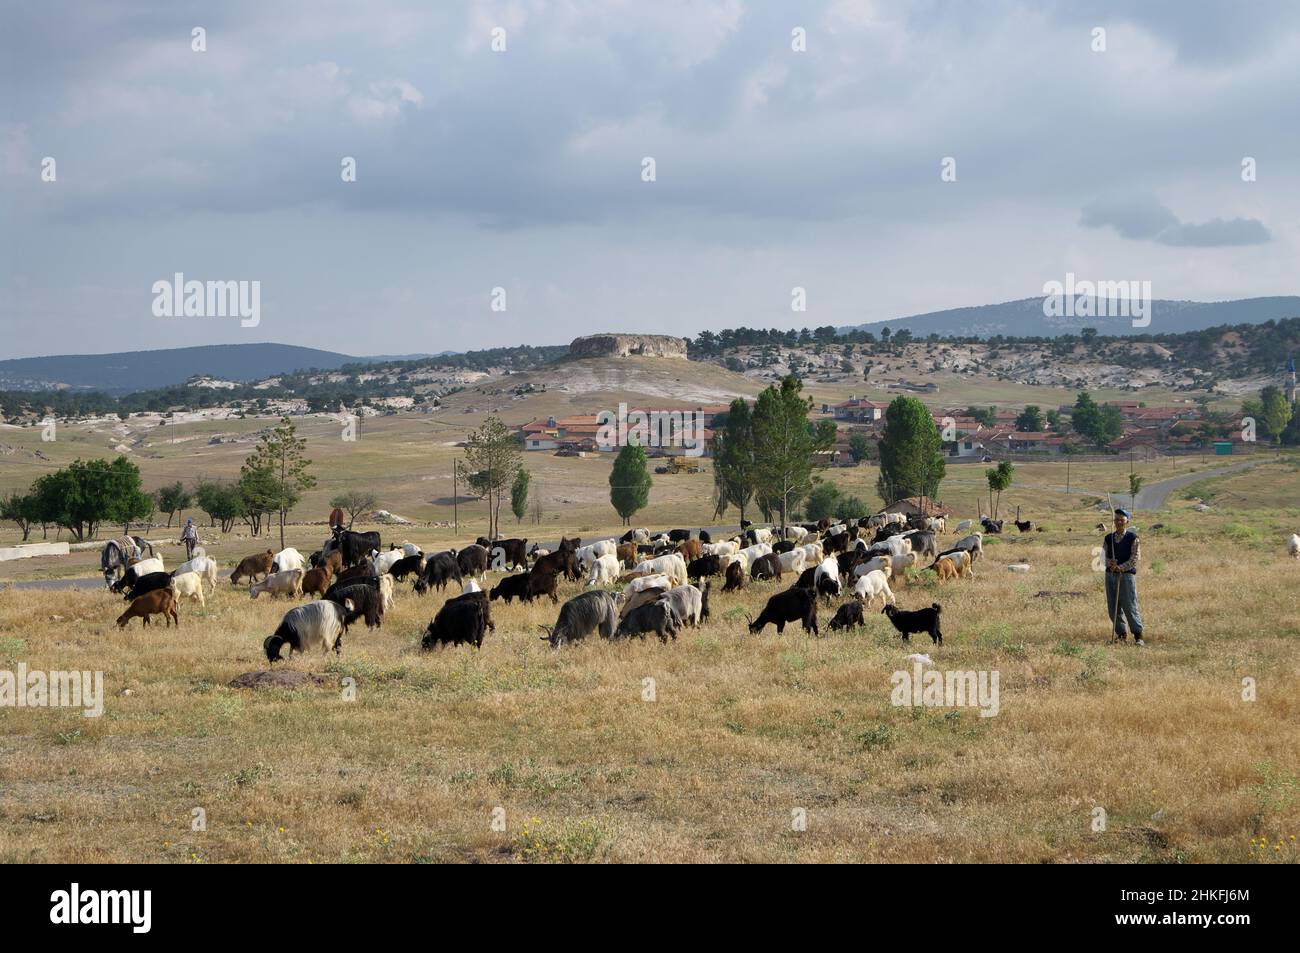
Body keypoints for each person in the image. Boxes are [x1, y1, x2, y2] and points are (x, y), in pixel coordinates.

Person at [1102, 508, 1143, 645]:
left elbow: (1135, 558)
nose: (1119, 522)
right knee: (1113, 607)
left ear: (1127, 522)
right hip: (1111, 575)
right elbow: (1102, 557)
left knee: (1129, 605)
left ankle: (1138, 636)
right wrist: (1110, 563)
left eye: (1122, 520)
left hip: (1126, 576)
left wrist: (1121, 567)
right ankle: (1121, 635)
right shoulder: (1108, 538)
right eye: (1117, 519)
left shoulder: (1133, 538)